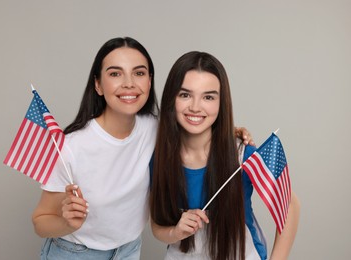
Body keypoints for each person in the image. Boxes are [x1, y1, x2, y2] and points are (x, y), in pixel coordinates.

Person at [32, 37, 254, 259]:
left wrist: (232, 131)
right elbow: (41, 222)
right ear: (98, 84)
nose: (129, 83)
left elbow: (194, 121)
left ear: (149, 81)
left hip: (129, 251)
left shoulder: (154, 128)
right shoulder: (71, 146)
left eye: (138, 73)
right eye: (115, 73)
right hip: (76, 253)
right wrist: (67, 223)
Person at [150, 51, 300, 260]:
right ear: (171, 98)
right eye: (185, 95)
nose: (195, 106)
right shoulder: (159, 158)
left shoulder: (242, 156)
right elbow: (157, 225)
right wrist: (176, 232)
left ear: (221, 103)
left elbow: (290, 204)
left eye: (208, 97)